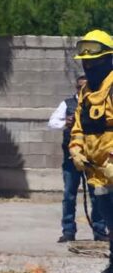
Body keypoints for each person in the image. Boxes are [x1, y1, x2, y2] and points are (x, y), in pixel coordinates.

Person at [67, 30, 113, 273]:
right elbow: (78, 126)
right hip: (97, 170)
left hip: (111, 165)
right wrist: (76, 149)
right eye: (85, 61)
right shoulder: (86, 92)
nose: (89, 65)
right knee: (109, 219)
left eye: (94, 61)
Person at [48, 75, 108, 242]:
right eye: (80, 87)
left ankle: (99, 231)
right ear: (76, 88)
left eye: (85, 86)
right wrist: (65, 123)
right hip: (71, 158)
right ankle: (68, 231)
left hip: (92, 158)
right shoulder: (67, 104)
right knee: (69, 195)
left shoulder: (98, 103)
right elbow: (52, 123)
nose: (83, 90)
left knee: (97, 194)